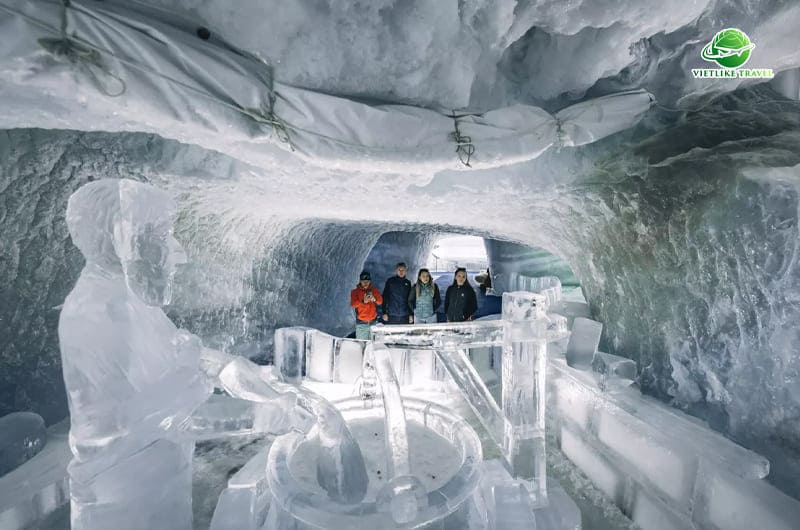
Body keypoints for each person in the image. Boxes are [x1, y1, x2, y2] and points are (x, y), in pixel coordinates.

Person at [350, 271, 383, 339]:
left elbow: (380, 302)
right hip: (361, 324)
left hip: (373, 323)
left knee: (373, 344)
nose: (366, 283)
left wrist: (374, 299)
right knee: (361, 345)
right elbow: (353, 304)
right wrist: (363, 301)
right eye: (363, 281)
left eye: (367, 281)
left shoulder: (374, 290)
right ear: (360, 281)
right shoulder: (355, 292)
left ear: (370, 281)